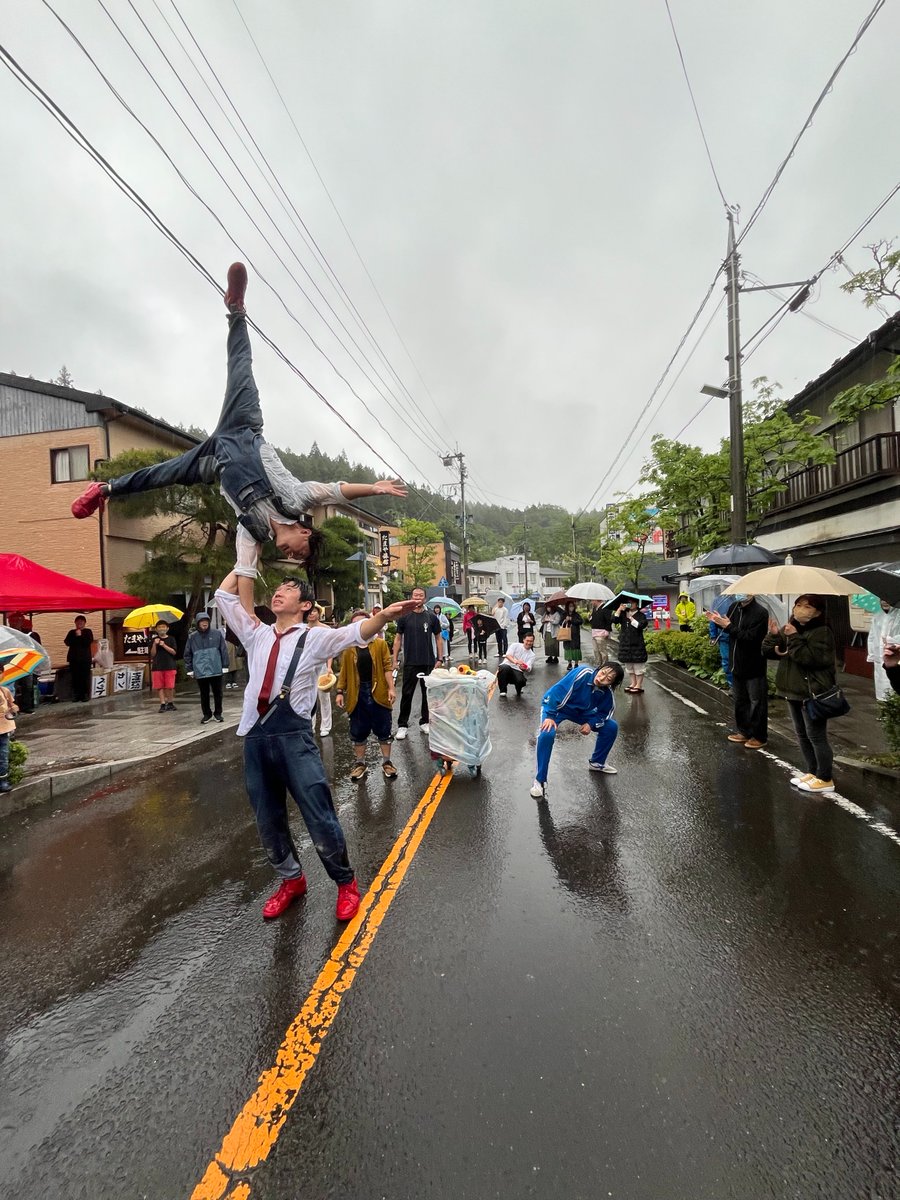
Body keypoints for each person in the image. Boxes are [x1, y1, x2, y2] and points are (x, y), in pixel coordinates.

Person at [70, 262, 407, 611]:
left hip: (214, 460)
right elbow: (334, 491)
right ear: (304, 532)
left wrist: (248, 622)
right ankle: (237, 310)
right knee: (241, 368)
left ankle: (105, 488)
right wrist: (374, 488)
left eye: (289, 556)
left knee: (163, 473)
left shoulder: (254, 532)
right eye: (298, 550)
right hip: (244, 427)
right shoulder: (296, 500)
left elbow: (245, 570)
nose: (288, 553)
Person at [215, 571, 417, 920]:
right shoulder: (256, 634)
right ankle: (291, 880)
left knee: (318, 814)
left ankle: (345, 884)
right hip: (256, 738)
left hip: (294, 738)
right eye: (277, 588)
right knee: (268, 819)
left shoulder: (315, 639)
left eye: (288, 590)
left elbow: (353, 633)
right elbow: (224, 595)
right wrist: (247, 550)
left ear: (305, 604)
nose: (278, 593)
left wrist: (382, 617)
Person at [762, 594, 838, 793]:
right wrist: (773, 635)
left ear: (818, 612)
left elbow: (810, 658)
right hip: (793, 690)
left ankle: (825, 777)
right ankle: (812, 772)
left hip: (812, 692)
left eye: (807, 606)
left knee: (816, 736)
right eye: (798, 605)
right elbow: (768, 652)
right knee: (802, 735)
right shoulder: (791, 628)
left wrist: (794, 637)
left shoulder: (822, 632)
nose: (800, 609)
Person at [529, 662, 625, 799]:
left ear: (611, 684)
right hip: (556, 706)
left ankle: (597, 763)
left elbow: (605, 713)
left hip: (580, 712)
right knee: (547, 733)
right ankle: (539, 780)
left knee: (611, 726)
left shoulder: (606, 693)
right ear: (599, 668)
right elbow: (557, 692)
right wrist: (549, 716)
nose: (602, 678)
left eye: (608, 679)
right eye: (603, 672)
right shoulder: (583, 673)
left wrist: (591, 724)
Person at [336, 610, 398, 781]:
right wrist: (340, 691)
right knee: (358, 729)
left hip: (377, 690)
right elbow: (344, 671)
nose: (360, 627)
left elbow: (387, 667)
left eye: (363, 623)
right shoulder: (348, 648)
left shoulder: (379, 644)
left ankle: (387, 762)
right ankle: (360, 763)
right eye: (355, 624)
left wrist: (391, 688)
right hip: (357, 693)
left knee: (383, 727)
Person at [709, 593, 768, 748]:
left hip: (753, 664)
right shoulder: (734, 607)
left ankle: (759, 736)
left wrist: (728, 626)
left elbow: (751, 637)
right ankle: (744, 731)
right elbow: (731, 631)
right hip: (736, 663)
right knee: (740, 701)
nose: (741, 594)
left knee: (756, 702)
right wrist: (719, 622)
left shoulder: (760, 613)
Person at [392, 587, 443, 739]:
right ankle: (402, 725)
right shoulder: (404, 616)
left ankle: (425, 721)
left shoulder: (431, 617)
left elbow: (438, 638)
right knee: (407, 694)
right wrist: (394, 659)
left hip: (427, 661)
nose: (418, 597)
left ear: (425, 599)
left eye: (421, 595)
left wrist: (440, 658)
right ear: (411, 597)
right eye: (415, 595)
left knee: (427, 693)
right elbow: (398, 638)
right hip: (410, 662)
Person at [184, 611, 230, 724]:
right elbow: (187, 653)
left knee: (218, 692)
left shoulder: (217, 634)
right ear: (198, 623)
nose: (204, 624)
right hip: (200, 669)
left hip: (216, 668)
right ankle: (207, 714)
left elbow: (223, 650)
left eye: (206, 621)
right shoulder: (192, 637)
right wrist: (189, 669)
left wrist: (225, 665)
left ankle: (218, 713)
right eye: (202, 622)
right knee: (204, 693)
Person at [305, 605, 334, 736]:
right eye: (309, 611)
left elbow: (330, 650)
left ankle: (326, 726)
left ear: (319, 612)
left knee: (324, 696)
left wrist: (329, 666)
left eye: (314, 611)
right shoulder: (302, 629)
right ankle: (310, 725)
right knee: (308, 697)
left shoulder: (326, 629)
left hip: (321, 665)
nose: (311, 614)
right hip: (306, 666)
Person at [867, 600, 900, 702]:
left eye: (887, 599)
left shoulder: (898, 614)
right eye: (882, 599)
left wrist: (891, 640)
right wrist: (872, 655)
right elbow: (872, 636)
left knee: (894, 686)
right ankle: (884, 709)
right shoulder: (877, 615)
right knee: (882, 686)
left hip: (894, 654)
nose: (884, 602)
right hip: (880, 656)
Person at [613, 599, 648, 692]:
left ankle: (639, 685)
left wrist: (631, 619)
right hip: (625, 644)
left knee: (638, 665)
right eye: (629, 603)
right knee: (629, 665)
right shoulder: (624, 614)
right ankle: (633, 683)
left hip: (637, 643)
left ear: (637, 604)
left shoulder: (641, 615)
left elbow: (641, 625)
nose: (630, 604)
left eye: (633, 603)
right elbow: (614, 620)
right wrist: (619, 609)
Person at [149, 619, 179, 712]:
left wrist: (164, 645)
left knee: (170, 686)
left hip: (170, 666)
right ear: (156, 629)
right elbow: (152, 654)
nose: (161, 629)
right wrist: (155, 644)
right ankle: (162, 703)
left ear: (167, 628)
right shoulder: (153, 640)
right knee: (159, 687)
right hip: (157, 667)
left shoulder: (171, 639)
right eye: (159, 627)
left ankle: (170, 703)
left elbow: (174, 652)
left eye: (163, 627)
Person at [64, 615, 94, 702]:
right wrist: (76, 636)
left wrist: (80, 636)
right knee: (75, 677)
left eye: (81, 621)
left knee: (84, 677)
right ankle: (76, 695)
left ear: (84, 623)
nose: (79, 623)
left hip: (85, 659)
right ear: (75, 623)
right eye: (77, 622)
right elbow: (67, 642)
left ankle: (85, 695)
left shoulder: (88, 631)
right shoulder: (71, 632)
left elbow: (88, 642)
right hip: (73, 658)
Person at [496, 633, 536, 698]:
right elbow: (508, 655)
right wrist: (516, 662)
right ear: (523, 640)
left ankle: (518, 689)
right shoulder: (515, 645)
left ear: (533, 642)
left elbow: (529, 668)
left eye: (531, 641)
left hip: (518, 670)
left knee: (521, 681)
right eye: (527, 641)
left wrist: (524, 668)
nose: (529, 643)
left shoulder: (532, 655)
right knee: (504, 668)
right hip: (507, 666)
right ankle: (503, 690)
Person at [0, 679, 18, 793]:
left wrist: (13, 708)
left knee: (3, 755)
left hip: (4, 727)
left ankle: (2, 780)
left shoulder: (4, 690)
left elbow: (12, 704)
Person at [559, 601, 584, 671]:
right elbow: (560, 623)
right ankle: (569, 663)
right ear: (567, 607)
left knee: (576, 648)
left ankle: (576, 663)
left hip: (575, 635)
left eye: (572, 606)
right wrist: (565, 620)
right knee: (568, 648)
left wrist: (571, 619)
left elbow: (581, 621)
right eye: (570, 606)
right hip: (566, 635)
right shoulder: (564, 614)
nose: (571, 607)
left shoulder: (576, 614)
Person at [589, 599, 613, 666]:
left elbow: (609, 620)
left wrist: (607, 631)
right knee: (596, 651)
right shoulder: (594, 609)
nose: (591, 602)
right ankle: (598, 664)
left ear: (596, 599)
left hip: (602, 633)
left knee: (602, 651)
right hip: (594, 632)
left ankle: (605, 665)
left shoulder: (605, 608)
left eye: (592, 600)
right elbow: (594, 620)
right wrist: (590, 619)